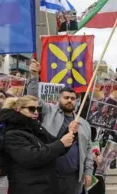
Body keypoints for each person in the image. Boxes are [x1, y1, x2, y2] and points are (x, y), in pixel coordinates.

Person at [27, 59, 94, 193]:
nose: (69, 100)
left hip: (73, 178)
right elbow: (32, 97)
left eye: (72, 98)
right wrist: (34, 77)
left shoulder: (84, 123)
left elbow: (88, 150)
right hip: (49, 175)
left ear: (77, 101)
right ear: (59, 99)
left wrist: (88, 172)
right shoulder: (48, 111)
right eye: (66, 97)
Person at [1, 96, 74, 194]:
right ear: (18, 109)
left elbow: (57, 148)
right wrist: (61, 143)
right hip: (28, 188)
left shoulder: (37, 129)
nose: (36, 112)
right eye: (31, 109)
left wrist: (70, 132)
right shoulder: (12, 134)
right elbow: (32, 157)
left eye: (38, 109)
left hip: (48, 186)